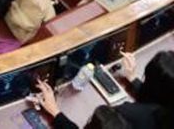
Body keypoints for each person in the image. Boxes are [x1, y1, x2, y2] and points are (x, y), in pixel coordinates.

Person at [31, 52, 174, 129]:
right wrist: (132, 78)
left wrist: (55, 112)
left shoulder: (128, 114)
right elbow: (158, 101)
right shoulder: (165, 111)